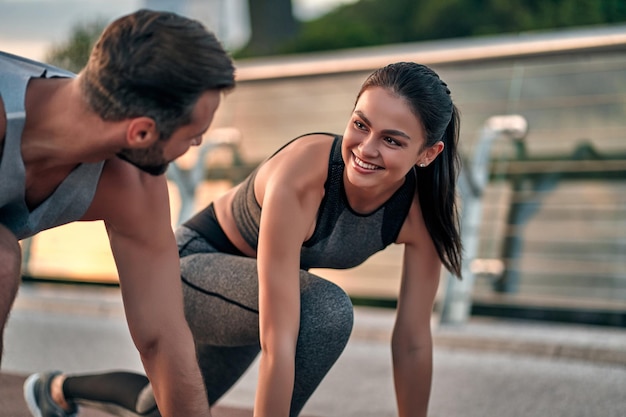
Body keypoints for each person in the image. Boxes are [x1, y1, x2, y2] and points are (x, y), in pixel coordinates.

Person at [23, 61, 463, 417]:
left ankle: (58, 389)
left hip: (261, 293)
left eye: (391, 140)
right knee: (325, 311)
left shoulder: (420, 214)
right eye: (360, 125)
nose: (366, 149)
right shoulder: (306, 173)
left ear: (428, 153)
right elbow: (280, 338)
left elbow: (412, 341)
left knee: (156, 410)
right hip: (189, 270)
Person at [0, 9, 236, 417]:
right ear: (141, 132)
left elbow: (162, 338)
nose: (198, 142)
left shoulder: (133, 184)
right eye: (194, 132)